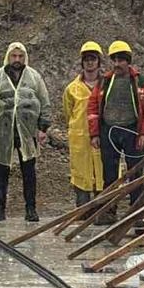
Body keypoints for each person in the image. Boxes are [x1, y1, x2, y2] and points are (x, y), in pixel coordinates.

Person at [88, 40, 144, 213]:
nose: (117, 64)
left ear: (128, 61)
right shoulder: (104, 82)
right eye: (114, 60)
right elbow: (92, 107)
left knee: (135, 173)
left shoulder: (141, 82)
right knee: (109, 174)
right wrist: (95, 134)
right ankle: (109, 210)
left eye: (121, 60)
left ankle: (136, 212)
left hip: (132, 132)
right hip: (109, 131)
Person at [0, 42, 51, 222]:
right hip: (4, 132)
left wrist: (43, 128)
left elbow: (44, 101)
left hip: (27, 132)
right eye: (14, 56)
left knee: (29, 171)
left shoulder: (34, 77)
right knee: (2, 171)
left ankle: (31, 209)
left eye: (20, 56)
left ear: (25, 57)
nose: (17, 59)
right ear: (8, 57)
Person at [63, 41, 107, 207]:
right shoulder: (72, 89)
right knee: (81, 173)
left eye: (93, 58)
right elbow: (68, 112)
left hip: (102, 136)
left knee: (103, 171)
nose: (90, 62)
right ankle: (83, 209)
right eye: (87, 59)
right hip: (80, 139)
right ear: (82, 62)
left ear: (98, 62)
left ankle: (102, 209)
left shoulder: (108, 85)